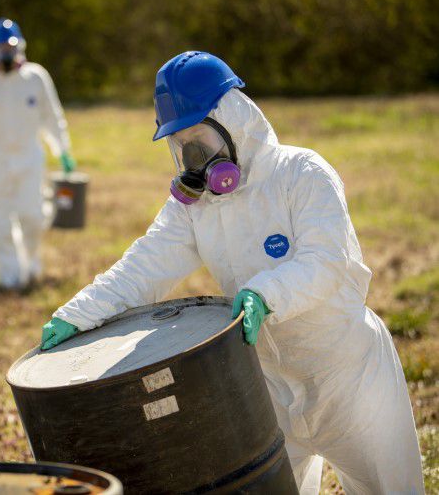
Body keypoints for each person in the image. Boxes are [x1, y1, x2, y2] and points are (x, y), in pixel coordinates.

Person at [40, 51, 424, 494]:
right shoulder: (194, 207)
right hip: (267, 388)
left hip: (349, 378)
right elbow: (142, 268)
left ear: (233, 121)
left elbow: (327, 261)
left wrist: (265, 294)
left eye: (199, 139)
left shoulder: (301, 173)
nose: (192, 156)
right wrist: (77, 314)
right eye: (180, 144)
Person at [0, 18, 75, 289]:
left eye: (10, 48)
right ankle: (9, 278)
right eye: (1, 49)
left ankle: (31, 267)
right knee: (0, 220)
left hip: (30, 158)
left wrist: (63, 151)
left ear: (19, 47)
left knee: (33, 215)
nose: (7, 54)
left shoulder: (36, 78)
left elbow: (52, 117)